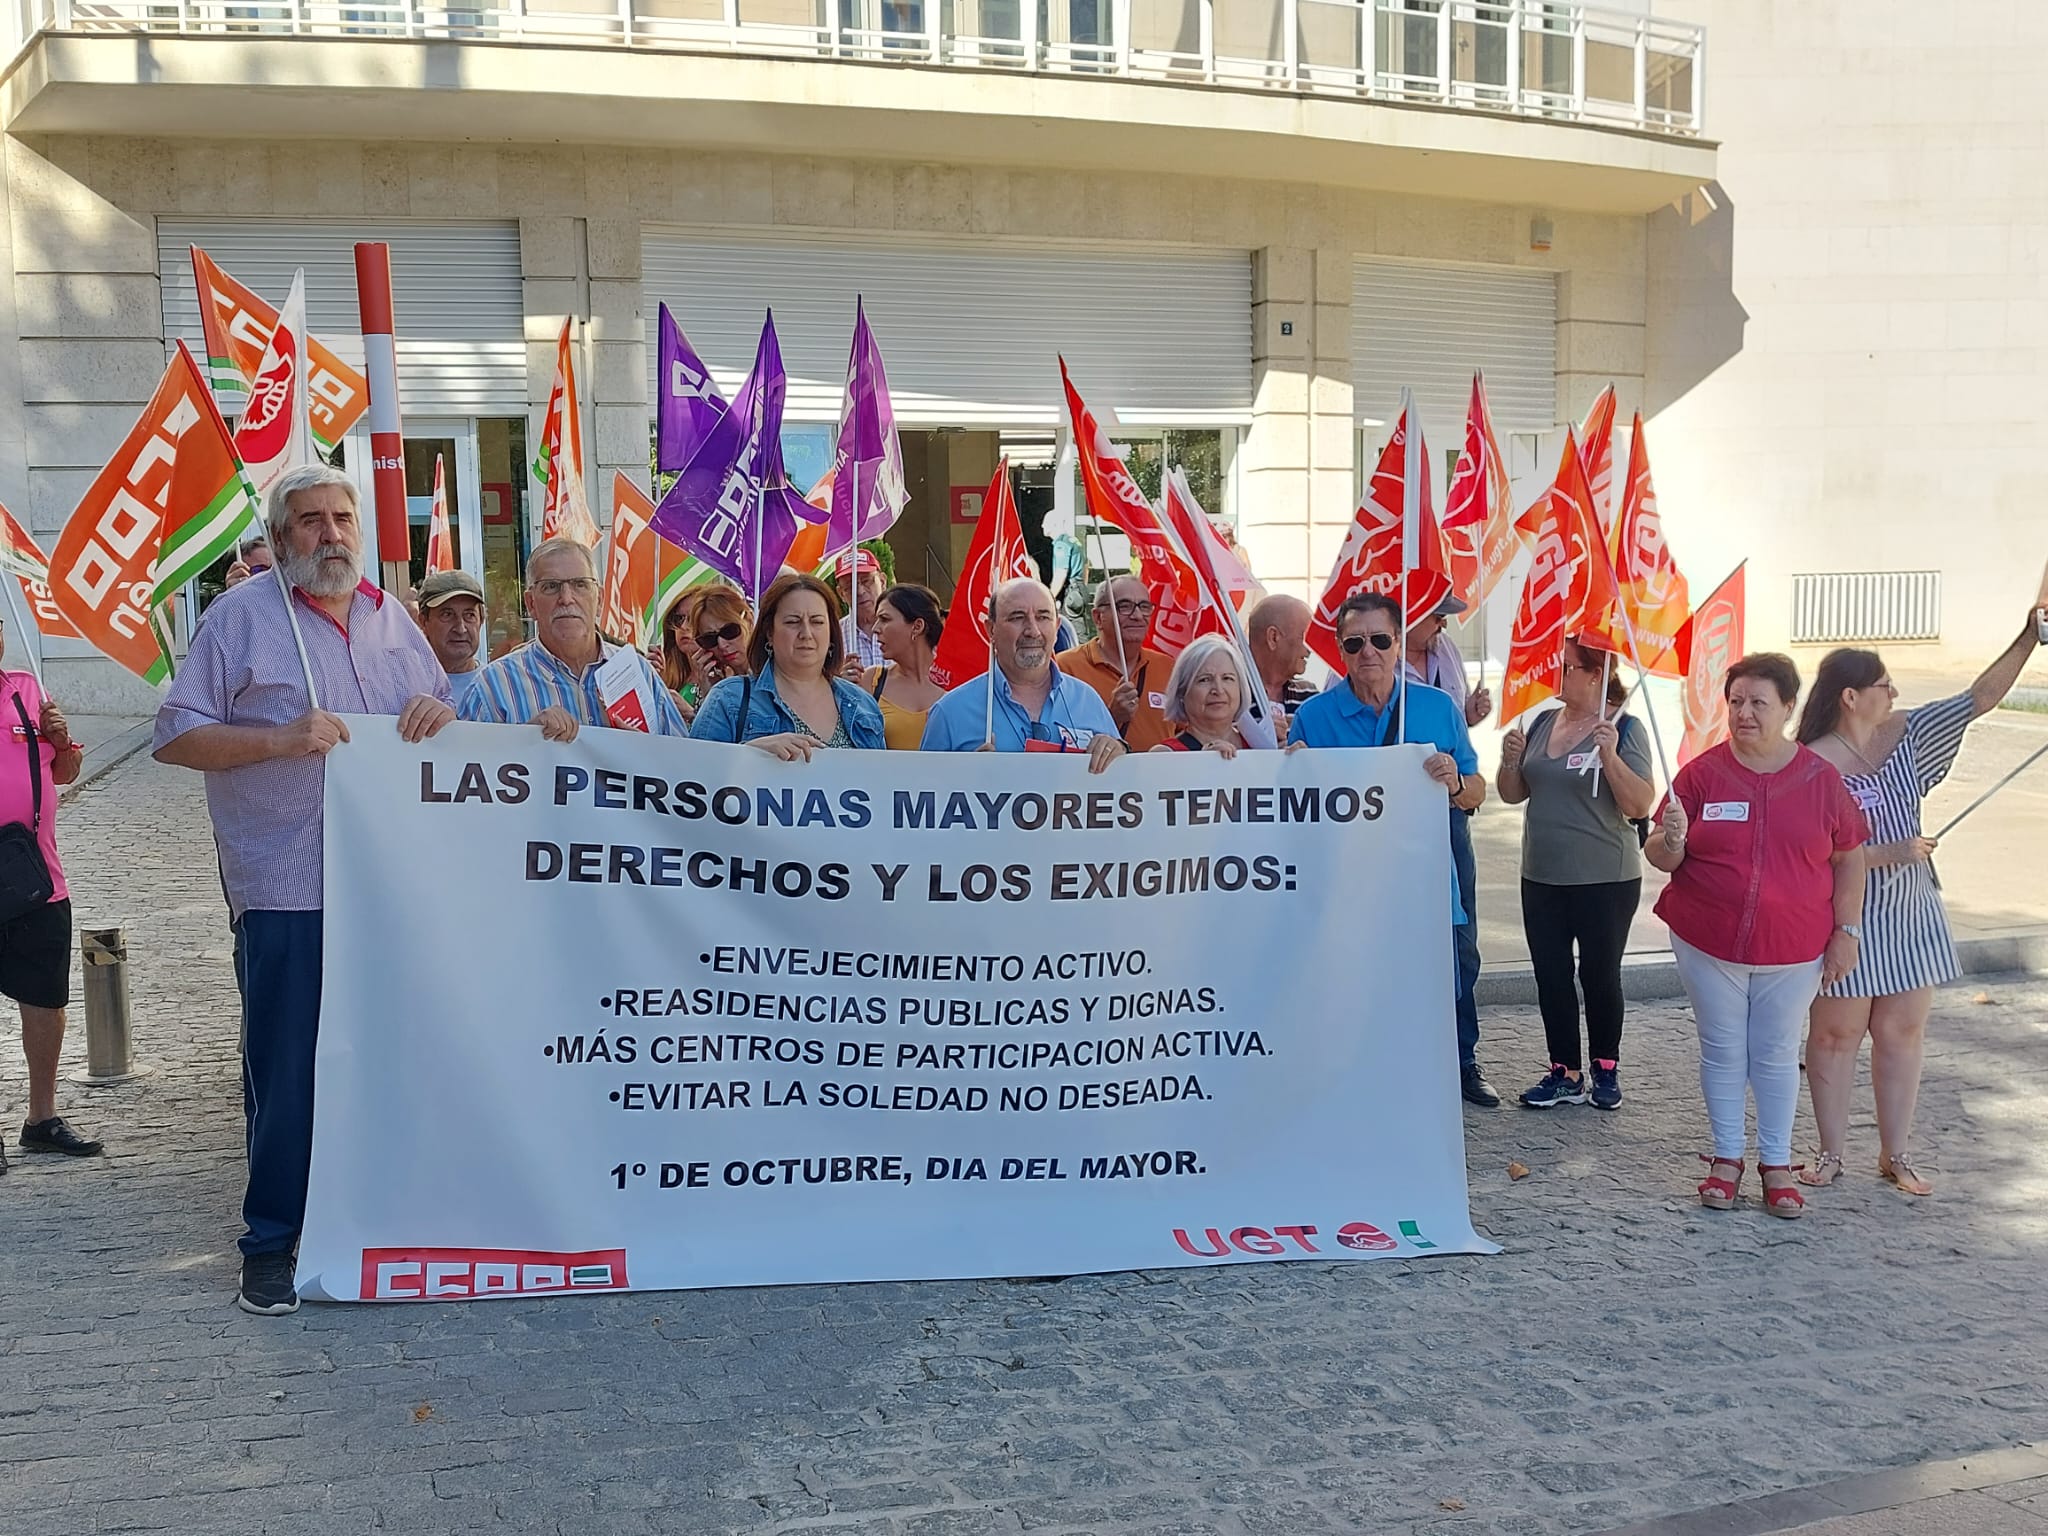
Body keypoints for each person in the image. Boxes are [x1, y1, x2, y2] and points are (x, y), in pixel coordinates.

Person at [152, 462, 455, 1315]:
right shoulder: (240, 620)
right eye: (313, 521)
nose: (332, 533)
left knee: (387, 1056)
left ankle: (372, 1214)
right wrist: (278, 741)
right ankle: (272, 1242)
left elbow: (434, 712)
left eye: (343, 517)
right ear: (283, 539)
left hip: (390, 887)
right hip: (288, 882)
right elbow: (175, 739)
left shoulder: (393, 618)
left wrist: (444, 716)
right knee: (287, 1069)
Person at [1796, 615, 2045, 1195]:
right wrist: (1885, 853)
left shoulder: (1908, 734)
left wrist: (2031, 636)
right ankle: (1831, 1154)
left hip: (1910, 914)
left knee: (1902, 1031)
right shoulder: (1809, 763)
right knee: (1835, 1036)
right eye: (1885, 685)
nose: (1896, 694)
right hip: (1844, 917)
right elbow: (1810, 854)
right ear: (1851, 697)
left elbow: (1977, 698)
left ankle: (1896, 1153)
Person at [1646, 653, 1869, 1220]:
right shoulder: (1699, 775)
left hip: (1794, 948)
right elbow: (1660, 855)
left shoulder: (1822, 781)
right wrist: (1671, 840)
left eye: (1758, 703)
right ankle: (1726, 1159)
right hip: (1707, 941)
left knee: (1773, 1053)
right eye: (1736, 702)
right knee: (1722, 1050)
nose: (1744, 713)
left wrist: (1846, 930)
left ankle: (1775, 1164)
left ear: (1789, 708)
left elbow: (1850, 858)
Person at [1290, 592, 1494, 1106]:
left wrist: (1453, 783)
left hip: (1424, 878)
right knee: (1358, 980)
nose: (1369, 653)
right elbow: (1293, 806)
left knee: (1451, 969)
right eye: (1355, 643)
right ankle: (1360, 1077)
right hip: (1350, 883)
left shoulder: (1435, 707)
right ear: (1340, 650)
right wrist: (1287, 770)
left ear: (1399, 644)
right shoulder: (1314, 718)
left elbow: (1476, 788)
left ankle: (1460, 1062)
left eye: (1380, 640)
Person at [1496, 640, 1657, 1110]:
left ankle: (1606, 1066)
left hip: (1604, 877)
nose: (1556, 675)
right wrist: (1510, 760)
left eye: (1566, 667)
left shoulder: (1624, 727)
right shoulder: (1544, 721)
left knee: (1599, 975)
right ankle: (1563, 1070)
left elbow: (1640, 803)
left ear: (1596, 673)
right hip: (1542, 874)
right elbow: (1513, 793)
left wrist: (1609, 756)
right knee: (1551, 974)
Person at [0, 618, 95, 1176]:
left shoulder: (27, 689)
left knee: (44, 1000)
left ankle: (41, 1118)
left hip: (36, 874)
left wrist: (61, 742)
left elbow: (65, 772)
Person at [459, 538, 688, 741]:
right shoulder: (492, 687)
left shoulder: (638, 673)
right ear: (530, 604)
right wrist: (525, 741)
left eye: (580, 585)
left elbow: (683, 767)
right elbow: (464, 775)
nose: (566, 599)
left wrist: (646, 751)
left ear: (599, 600)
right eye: (551, 587)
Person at [922, 578, 1127, 774]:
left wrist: (1118, 751)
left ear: (1056, 628)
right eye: (1017, 617)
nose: (1033, 630)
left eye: (1043, 617)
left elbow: (1123, 787)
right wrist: (964, 781)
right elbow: (921, 799)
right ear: (991, 629)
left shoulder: (1088, 701)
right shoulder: (949, 713)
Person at [692, 573, 885, 756]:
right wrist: (749, 754)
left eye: (817, 622)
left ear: (831, 632)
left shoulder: (864, 705)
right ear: (769, 632)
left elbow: (882, 784)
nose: (806, 633)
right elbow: (693, 779)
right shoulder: (728, 699)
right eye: (793, 622)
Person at [1056, 575, 1174, 753]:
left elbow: (1187, 732)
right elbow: (1056, 739)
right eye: (1124, 607)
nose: (1137, 615)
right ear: (1097, 617)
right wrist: (1111, 716)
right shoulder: (1065, 667)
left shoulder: (1168, 667)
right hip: (1096, 779)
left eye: (1144, 606)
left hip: (1160, 779)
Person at [1151, 634, 1283, 757]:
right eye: (1204, 679)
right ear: (1181, 691)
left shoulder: (1261, 745)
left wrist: (1293, 758)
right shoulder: (1164, 756)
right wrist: (1202, 765)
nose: (1218, 690)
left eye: (1227, 678)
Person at [865, 583, 946, 751]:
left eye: (885, 619)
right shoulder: (872, 681)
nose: (875, 629)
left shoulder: (955, 684)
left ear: (917, 626)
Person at [1405, 593, 1493, 728]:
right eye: (1439, 617)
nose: (1444, 624)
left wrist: (1468, 715)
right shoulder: (1379, 660)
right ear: (1413, 616)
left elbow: (1460, 714)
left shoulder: (1447, 647)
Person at [415, 569, 487, 712]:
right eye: (447, 614)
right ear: (423, 622)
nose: (460, 628)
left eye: (469, 615)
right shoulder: (405, 687)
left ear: (481, 620)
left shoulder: (500, 686)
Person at [1244, 593, 1318, 724]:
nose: (1310, 649)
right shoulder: (1227, 696)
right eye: (1306, 637)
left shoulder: (1309, 695)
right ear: (1273, 637)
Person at [835, 549, 886, 674]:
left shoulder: (904, 627)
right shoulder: (834, 635)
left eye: (866, 581)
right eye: (849, 586)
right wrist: (838, 683)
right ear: (841, 593)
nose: (859, 591)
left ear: (883, 581)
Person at [655, 594, 705, 722]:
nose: (683, 626)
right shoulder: (666, 673)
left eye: (693, 618)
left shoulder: (725, 676)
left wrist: (691, 714)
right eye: (678, 619)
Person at [691, 587, 755, 687]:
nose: (722, 645)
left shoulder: (777, 672)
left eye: (729, 631)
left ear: (749, 621)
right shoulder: (720, 686)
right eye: (709, 639)